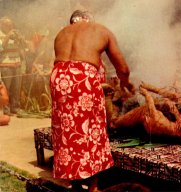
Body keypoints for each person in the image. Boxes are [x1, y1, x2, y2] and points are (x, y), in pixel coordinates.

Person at [49, 10, 135, 192]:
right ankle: (93, 187)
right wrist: (126, 83)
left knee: (68, 130)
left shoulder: (61, 33)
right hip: (83, 77)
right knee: (93, 129)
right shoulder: (101, 30)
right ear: (90, 21)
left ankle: (76, 183)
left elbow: (64, 62)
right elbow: (123, 68)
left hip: (59, 78)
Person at [0, 17, 27, 114]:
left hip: (17, 64)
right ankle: (6, 109)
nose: (10, 27)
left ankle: (15, 107)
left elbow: (25, 47)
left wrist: (21, 39)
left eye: (11, 25)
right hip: (5, 65)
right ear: (2, 25)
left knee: (16, 87)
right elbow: (1, 48)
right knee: (6, 88)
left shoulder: (16, 34)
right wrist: (7, 37)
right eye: (7, 25)